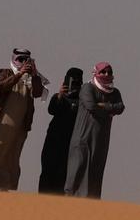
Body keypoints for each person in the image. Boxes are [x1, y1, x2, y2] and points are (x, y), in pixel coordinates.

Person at [0, 48, 44, 191]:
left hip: (20, 125)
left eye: (26, 60)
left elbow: (38, 93)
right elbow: (1, 85)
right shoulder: (6, 72)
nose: (23, 62)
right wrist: (19, 74)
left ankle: (6, 186)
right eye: (20, 59)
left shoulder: (31, 78)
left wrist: (34, 74)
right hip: (2, 122)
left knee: (13, 155)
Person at [65, 62, 125, 199]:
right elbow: (91, 106)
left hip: (100, 141)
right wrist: (110, 110)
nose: (106, 74)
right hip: (83, 137)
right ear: (96, 73)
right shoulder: (88, 88)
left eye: (109, 72)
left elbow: (120, 107)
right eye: (103, 72)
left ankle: (91, 203)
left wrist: (105, 106)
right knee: (78, 168)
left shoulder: (114, 92)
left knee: (95, 170)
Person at [38, 67, 83, 194]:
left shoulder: (82, 102)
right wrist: (60, 95)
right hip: (53, 141)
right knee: (48, 170)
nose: (74, 86)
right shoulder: (59, 97)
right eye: (72, 82)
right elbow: (52, 110)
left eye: (77, 83)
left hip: (70, 143)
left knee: (63, 174)